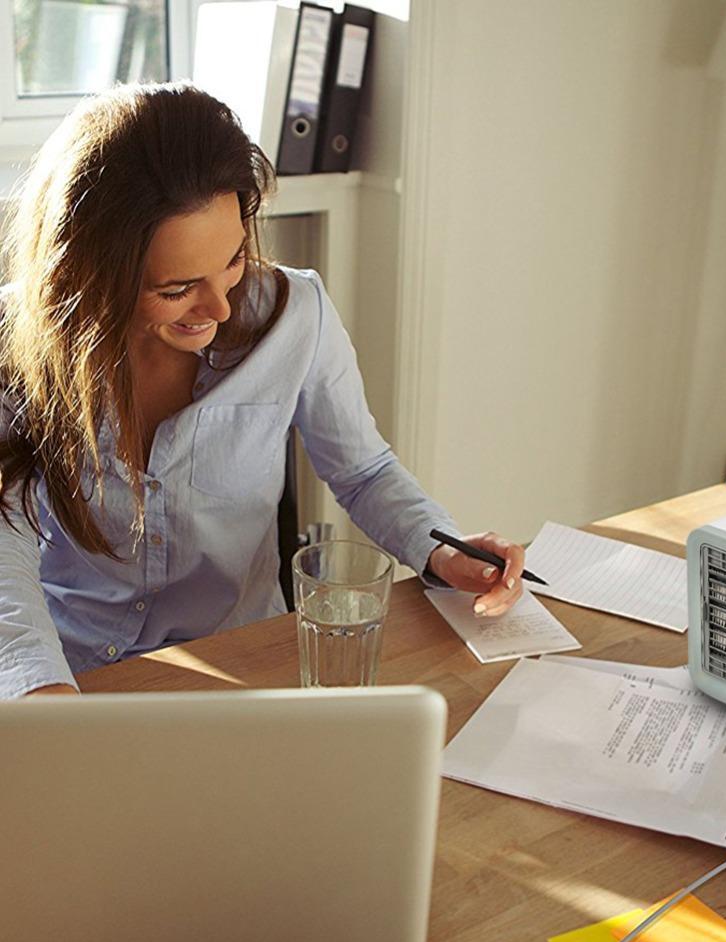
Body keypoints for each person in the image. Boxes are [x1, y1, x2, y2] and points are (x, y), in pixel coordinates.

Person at [0, 82, 525, 699]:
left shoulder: (296, 315)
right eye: (176, 289)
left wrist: (441, 551)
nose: (219, 306)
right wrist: (39, 692)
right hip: (66, 669)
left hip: (246, 665)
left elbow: (364, 471)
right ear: (88, 274)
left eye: (232, 260)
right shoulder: (18, 342)